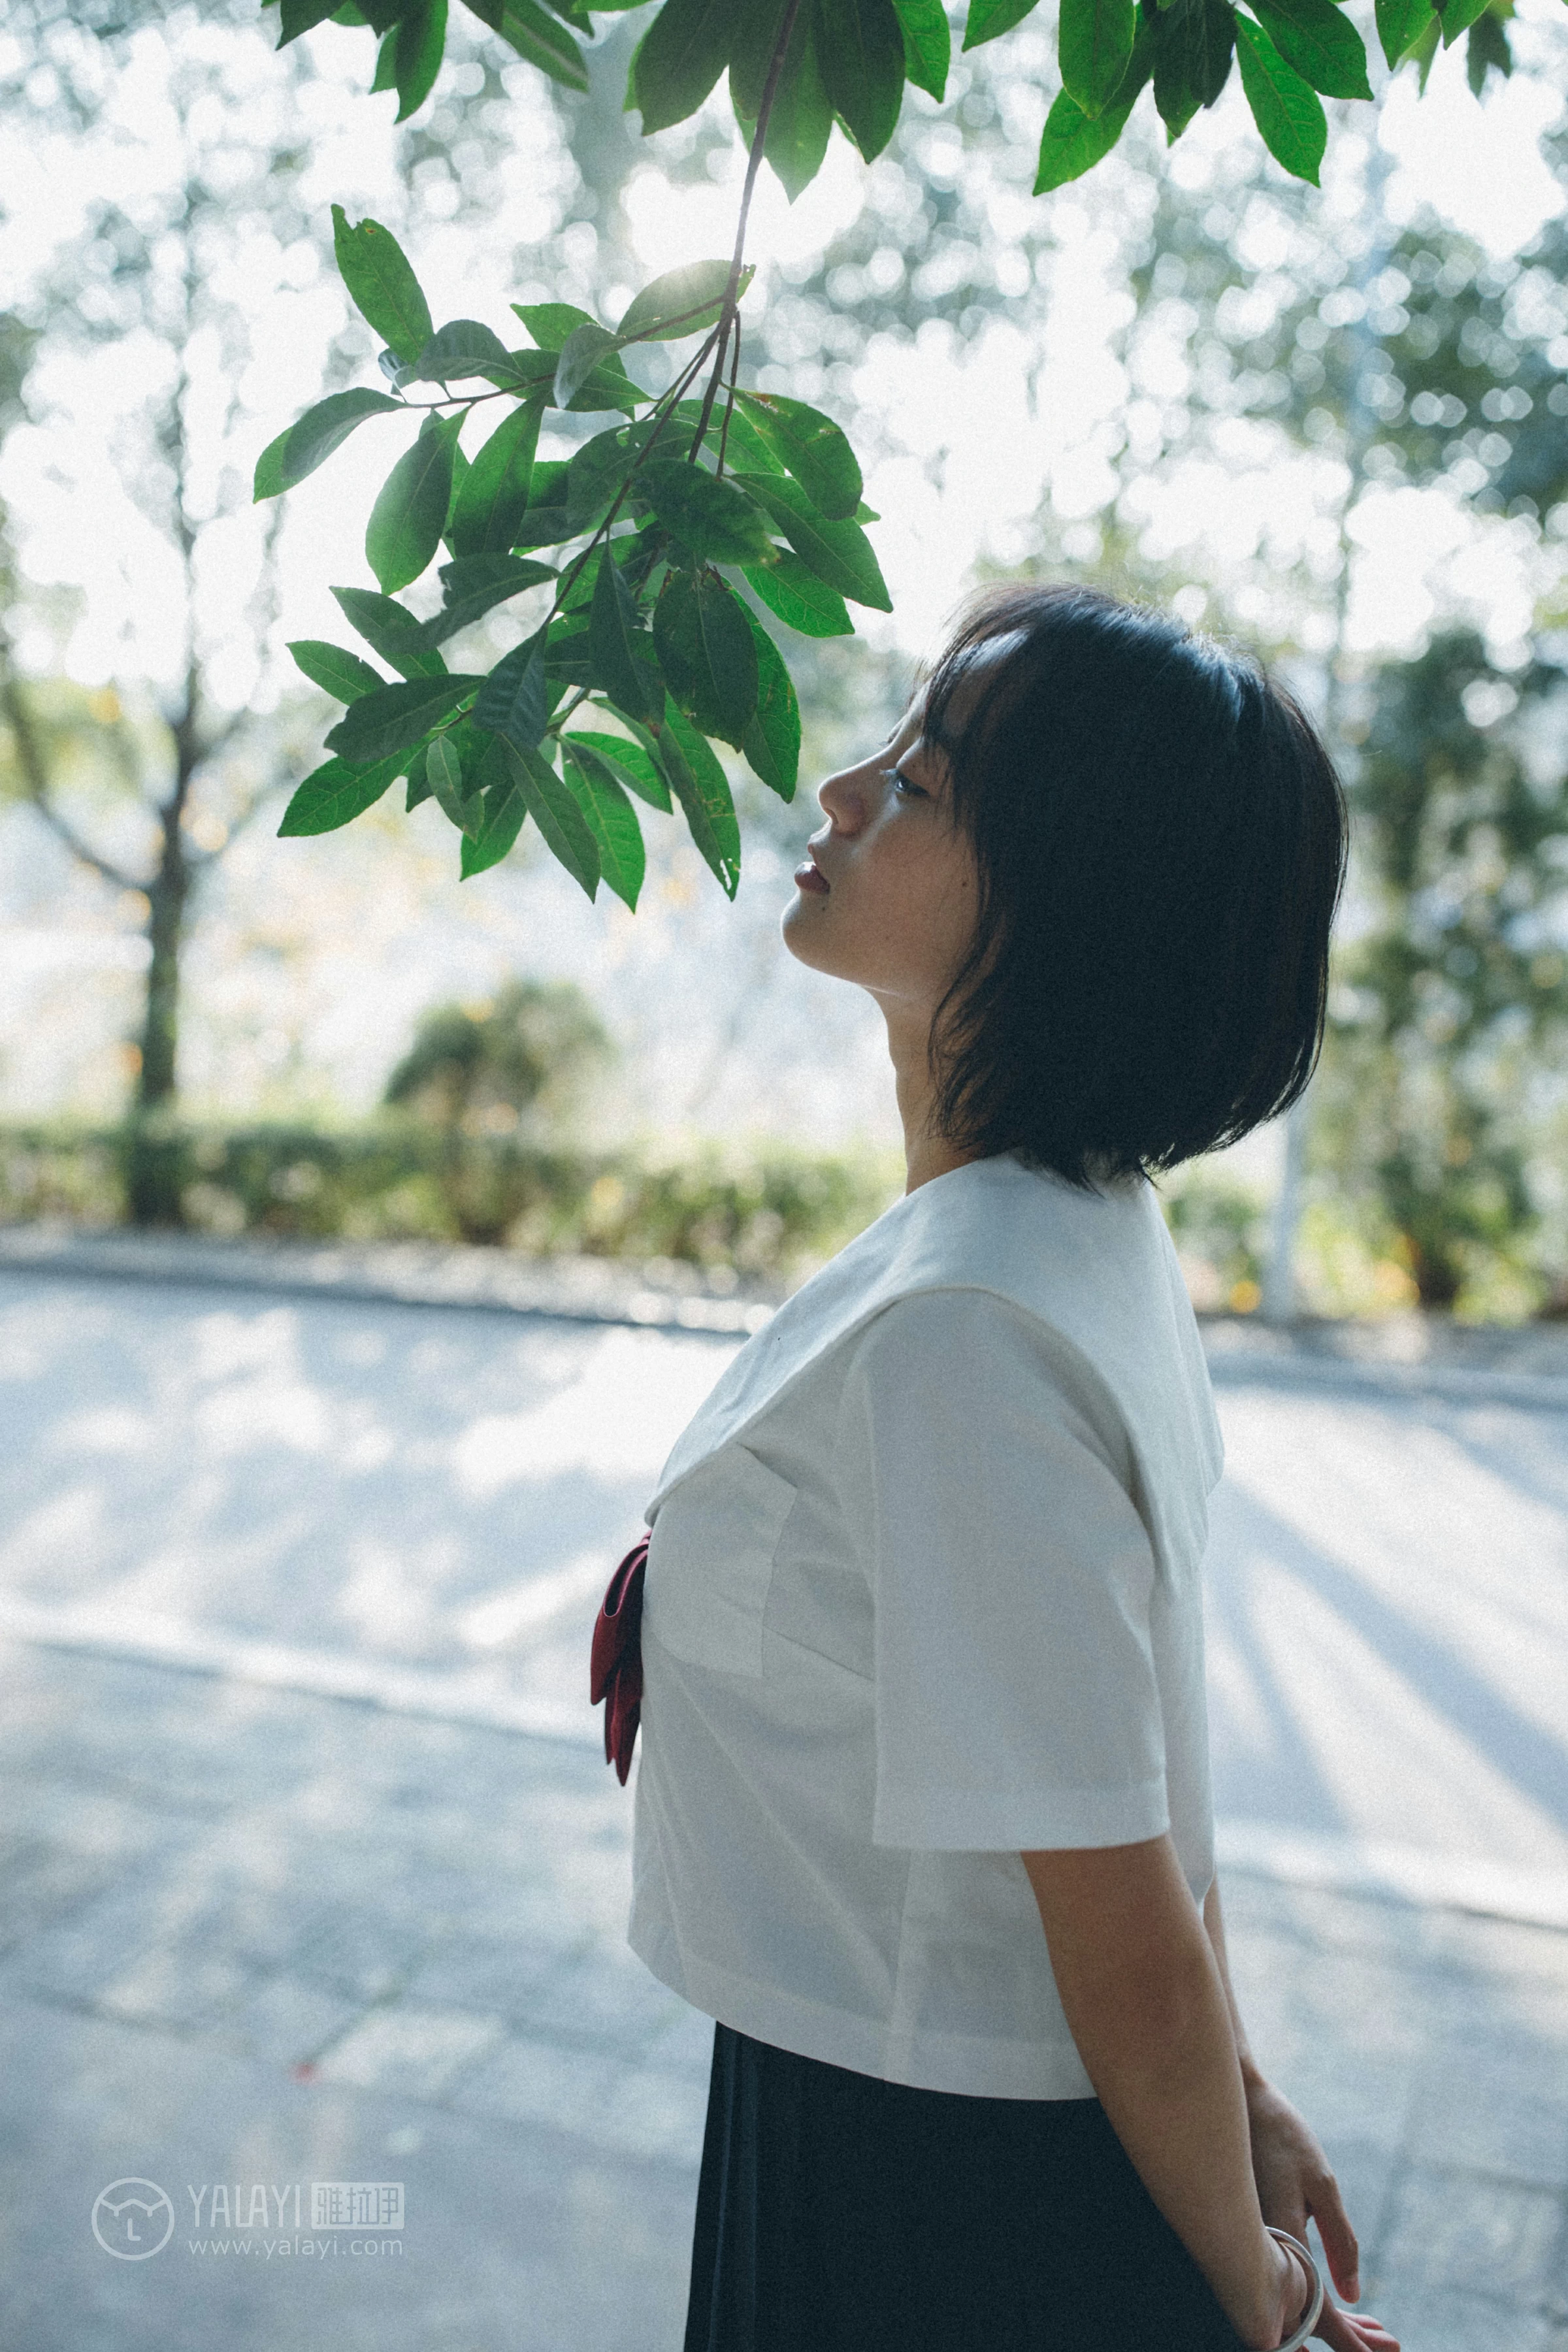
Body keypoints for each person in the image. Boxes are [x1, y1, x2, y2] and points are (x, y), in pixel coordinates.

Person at [624, 583, 1400, 2351]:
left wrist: (1248, 2292)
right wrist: (1243, 2099)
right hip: (937, 2110)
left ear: (1067, 901)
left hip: (936, 2188)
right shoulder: (1078, 1229)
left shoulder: (969, 1328)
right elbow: (1133, 1761)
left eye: (921, 782)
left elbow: (1121, 1926)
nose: (842, 791)